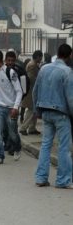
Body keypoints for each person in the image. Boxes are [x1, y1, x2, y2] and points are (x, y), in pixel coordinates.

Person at [34, 44, 73, 188]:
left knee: (45, 145)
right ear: (70, 55)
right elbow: (70, 98)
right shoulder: (67, 72)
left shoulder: (44, 68)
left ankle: (41, 178)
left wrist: (37, 111)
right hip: (61, 114)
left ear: (57, 53)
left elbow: (35, 91)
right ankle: (63, 180)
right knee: (64, 148)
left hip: (45, 112)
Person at [0, 49, 23, 164]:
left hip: (11, 108)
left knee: (13, 134)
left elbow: (19, 91)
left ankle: (17, 147)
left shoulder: (10, 72)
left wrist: (16, 107)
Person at [19, 50, 42, 136]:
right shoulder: (32, 65)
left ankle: (32, 128)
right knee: (31, 110)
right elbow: (31, 78)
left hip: (32, 91)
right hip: (31, 91)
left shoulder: (34, 64)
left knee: (34, 110)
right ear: (37, 57)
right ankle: (23, 128)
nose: (41, 59)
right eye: (40, 57)